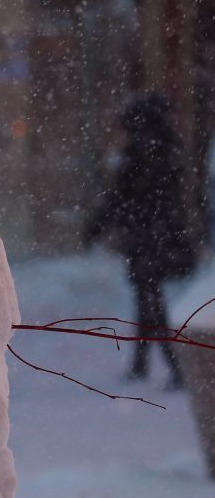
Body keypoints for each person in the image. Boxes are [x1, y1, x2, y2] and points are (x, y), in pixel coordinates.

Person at [85, 93, 195, 389]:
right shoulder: (168, 148)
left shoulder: (140, 152)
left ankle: (177, 368)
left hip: (146, 237)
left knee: (152, 303)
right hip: (162, 235)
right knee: (148, 301)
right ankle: (144, 364)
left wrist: (96, 225)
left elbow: (121, 197)